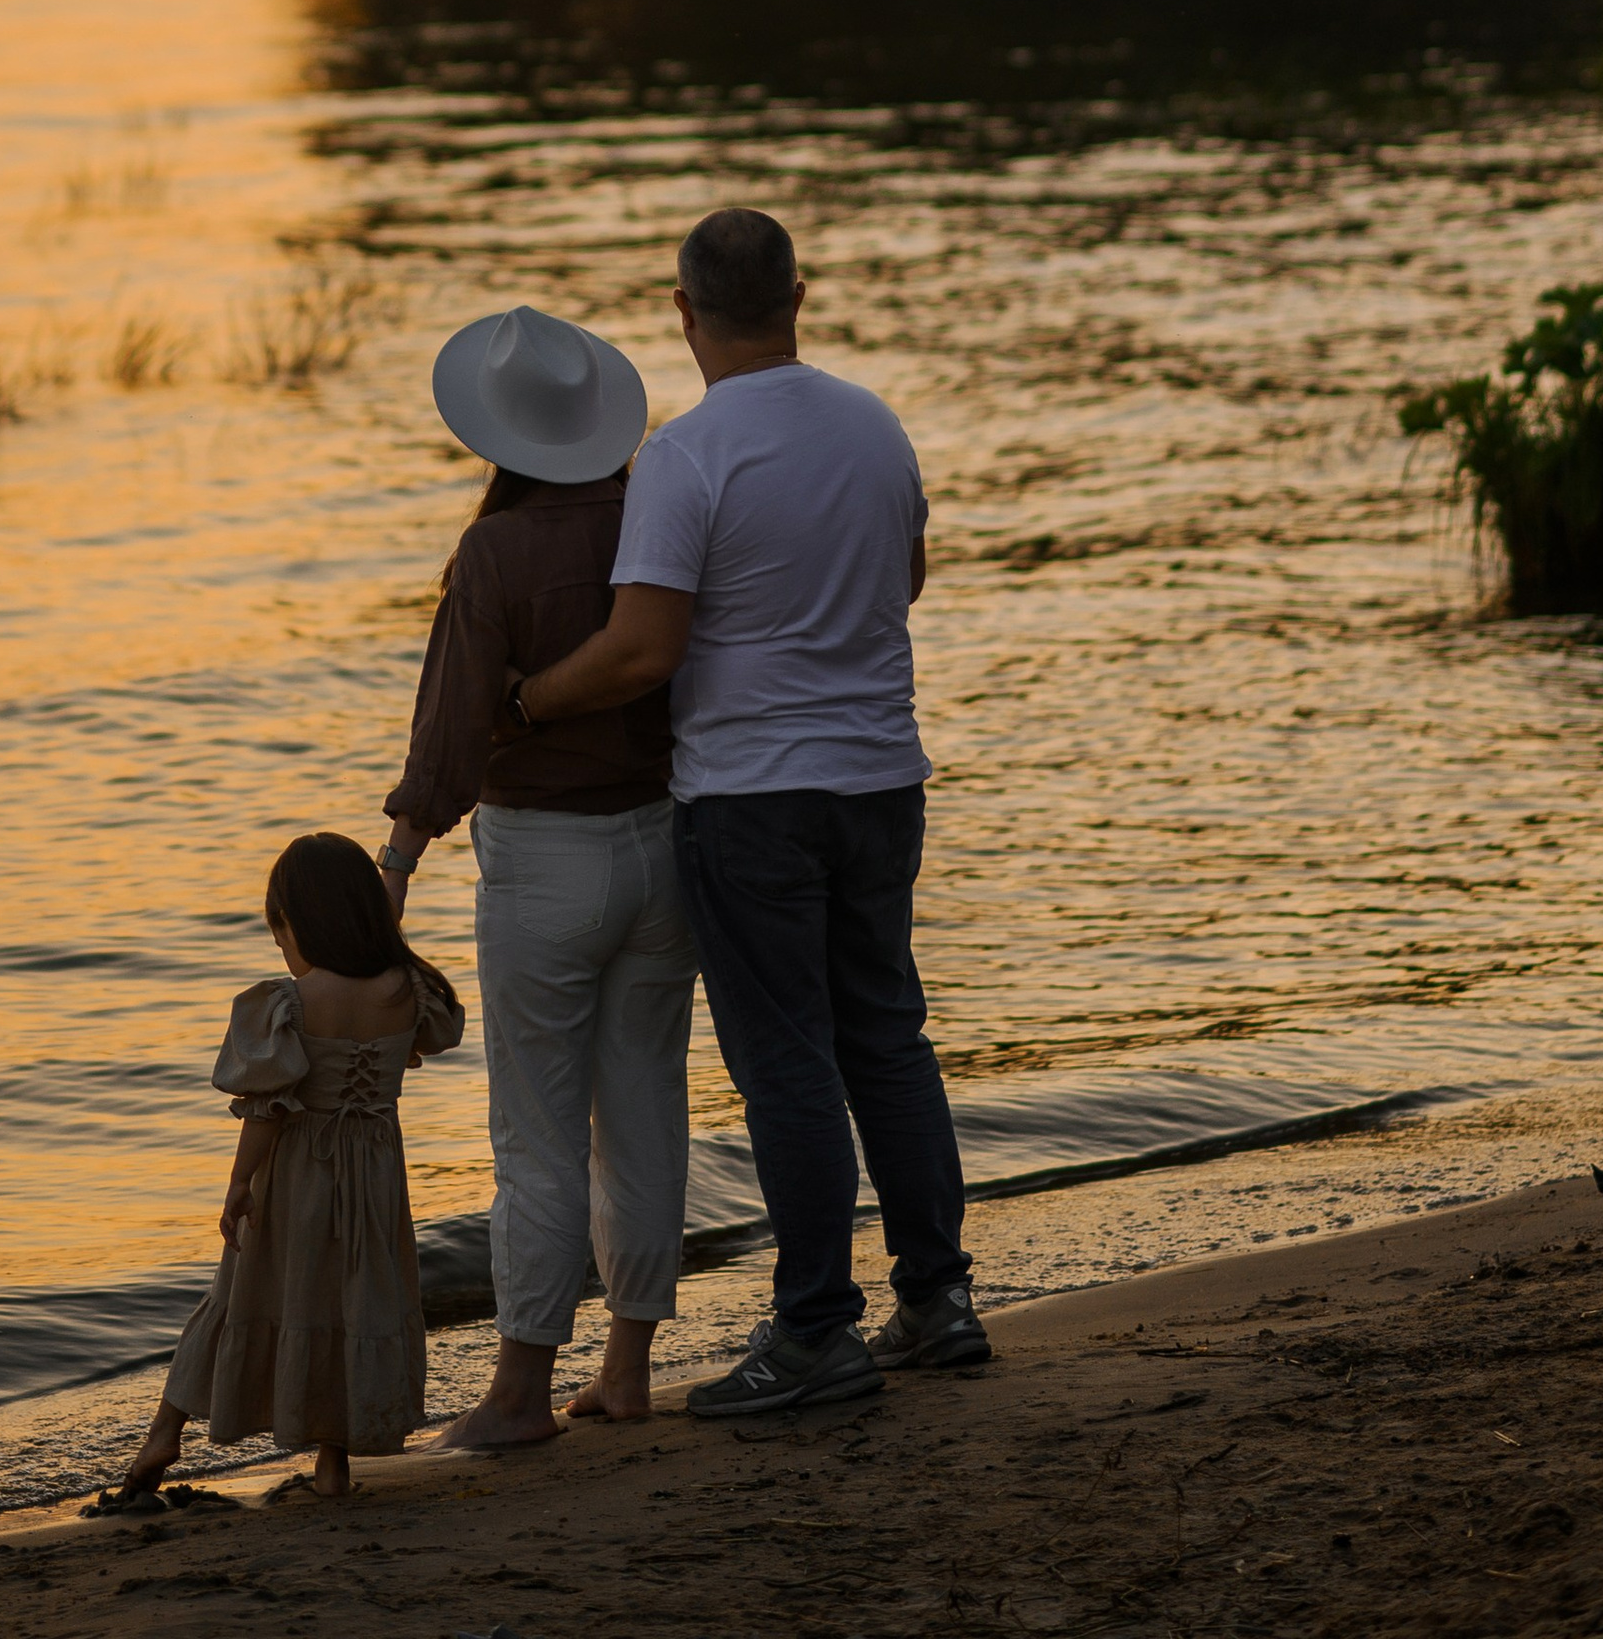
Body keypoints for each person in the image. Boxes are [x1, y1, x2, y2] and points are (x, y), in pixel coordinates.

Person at [509, 205, 986, 1418]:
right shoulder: (873, 425)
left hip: (753, 799)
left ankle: (818, 1326)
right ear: (798, 295)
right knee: (887, 1035)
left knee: (786, 1061)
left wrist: (525, 697)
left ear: (682, 311)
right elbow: (908, 575)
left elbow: (638, 649)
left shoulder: (687, 453)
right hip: (882, 776)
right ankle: (936, 1299)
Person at [379, 302, 696, 1452]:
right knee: (646, 1111)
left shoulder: (496, 551)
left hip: (544, 862)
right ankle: (627, 1366)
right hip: (667, 844)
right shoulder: (661, 511)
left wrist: (402, 852)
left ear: (497, 436)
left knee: (537, 1133)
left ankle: (518, 1390)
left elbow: (451, 729)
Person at [115, 831, 464, 1503]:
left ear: (301, 921)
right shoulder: (411, 988)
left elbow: (268, 1108)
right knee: (353, 1302)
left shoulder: (292, 1003)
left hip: (299, 1170)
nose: (281, 942)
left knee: (238, 1296)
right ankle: (333, 1466)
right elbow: (425, 1043)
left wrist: (240, 1185)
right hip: (375, 1177)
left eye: (280, 926)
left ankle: (165, 1431)